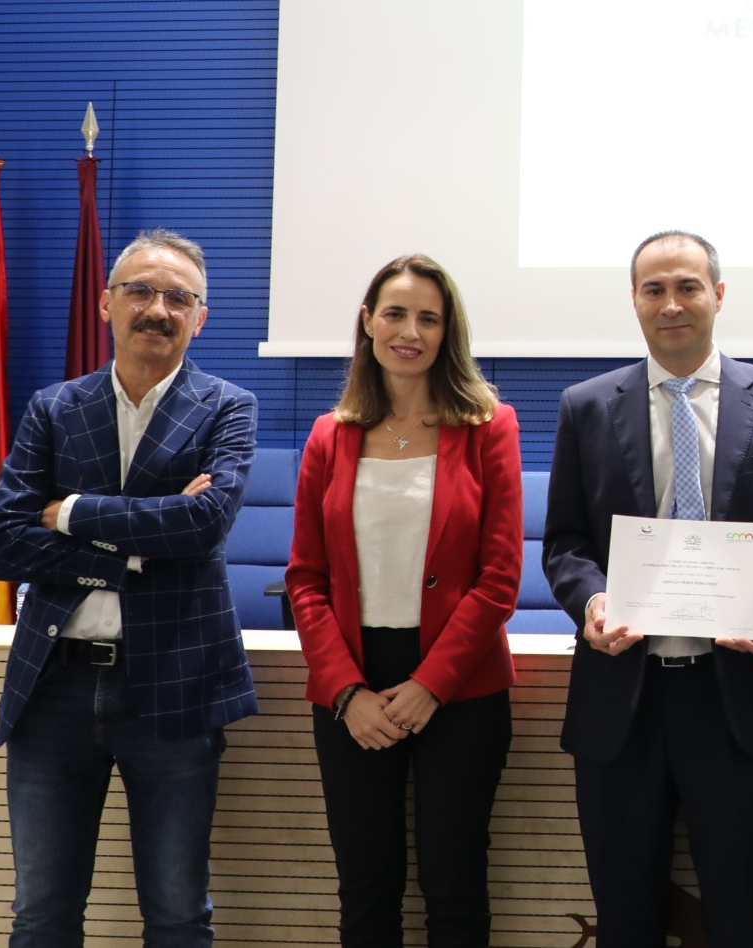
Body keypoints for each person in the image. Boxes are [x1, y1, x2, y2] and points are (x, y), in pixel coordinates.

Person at [0, 228, 258, 946]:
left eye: (178, 297)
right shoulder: (53, 409)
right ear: (106, 304)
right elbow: (4, 543)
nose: (157, 308)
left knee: (176, 915)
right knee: (41, 914)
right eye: (140, 290)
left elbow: (203, 526)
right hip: (53, 691)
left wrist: (68, 512)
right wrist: (133, 555)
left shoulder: (228, 408)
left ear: (201, 317)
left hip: (173, 686)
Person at [542, 230, 753, 946]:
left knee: (737, 909)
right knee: (626, 914)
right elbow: (566, 544)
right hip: (622, 694)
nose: (672, 304)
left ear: (717, 295)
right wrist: (591, 600)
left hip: (732, 695)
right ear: (634, 300)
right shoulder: (585, 406)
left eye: (687, 287)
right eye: (654, 289)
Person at [286, 254, 522, 947]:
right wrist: (343, 692)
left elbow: (499, 577)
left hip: (461, 683)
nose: (409, 331)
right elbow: (305, 578)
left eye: (428, 317)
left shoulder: (489, 426)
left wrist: (429, 685)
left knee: (453, 887)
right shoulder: (331, 434)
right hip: (350, 686)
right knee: (366, 889)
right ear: (367, 323)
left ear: (448, 333)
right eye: (394, 313)